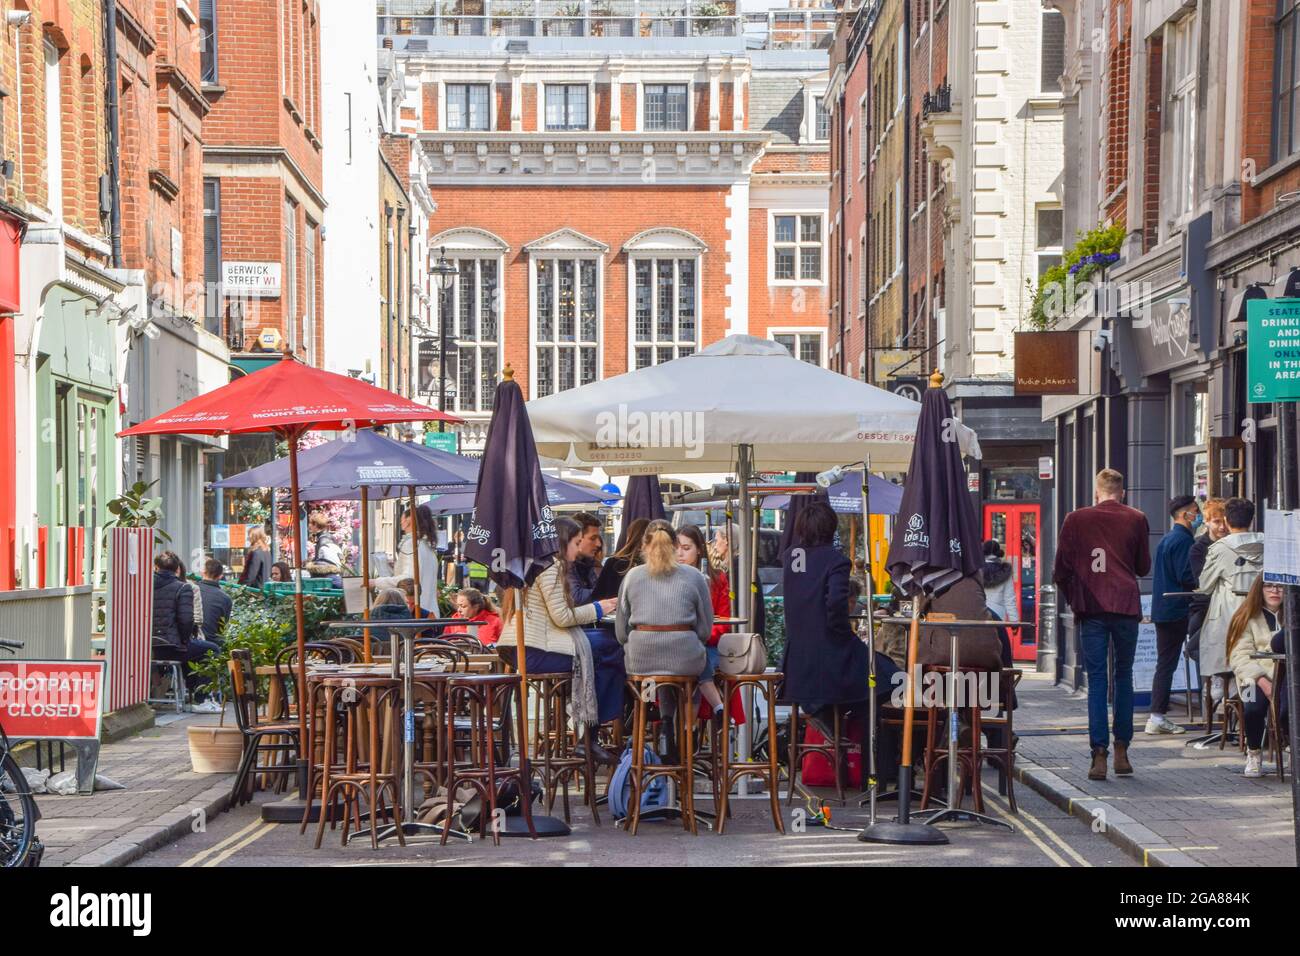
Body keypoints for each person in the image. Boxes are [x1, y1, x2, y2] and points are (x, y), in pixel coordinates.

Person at [1052, 468, 1151, 781]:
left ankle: (1099, 755)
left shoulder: (1075, 519)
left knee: (1096, 681)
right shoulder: (1136, 518)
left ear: (1097, 492)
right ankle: (1122, 749)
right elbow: (1143, 566)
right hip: (1124, 605)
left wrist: (1076, 599)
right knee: (1123, 676)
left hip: (1092, 608)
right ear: (1122, 492)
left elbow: (1060, 571)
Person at [503, 516, 622, 765]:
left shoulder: (536, 564)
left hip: (523, 648)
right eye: (577, 542)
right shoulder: (552, 567)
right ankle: (590, 733)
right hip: (536, 650)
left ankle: (588, 729)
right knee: (613, 647)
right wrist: (600, 608)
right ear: (563, 541)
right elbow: (563, 617)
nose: (579, 549)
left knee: (604, 643)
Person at [616, 520, 714, 749]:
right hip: (685, 658)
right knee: (678, 672)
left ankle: (657, 716)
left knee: (652, 673)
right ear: (675, 545)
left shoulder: (632, 576)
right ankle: (681, 730)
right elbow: (705, 630)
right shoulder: (694, 576)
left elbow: (621, 632)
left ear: (644, 545)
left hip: (641, 659)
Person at [779, 501, 870, 738]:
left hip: (796, 660)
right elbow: (836, 603)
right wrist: (842, 634)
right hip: (827, 659)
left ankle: (826, 717)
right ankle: (843, 736)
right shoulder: (835, 560)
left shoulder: (790, 556)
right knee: (876, 676)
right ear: (830, 528)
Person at [1197, 497, 1265, 705]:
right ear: (1252, 520)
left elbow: (1205, 584)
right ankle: (1249, 707)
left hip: (1229, 617)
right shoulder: (1267, 544)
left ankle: (1224, 691)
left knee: (1219, 651)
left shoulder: (1219, 548)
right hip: (1261, 615)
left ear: (1226, 520)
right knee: (1253, 659)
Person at [1147, 495, 1199, 735]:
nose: (1198, 517)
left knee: (1165, 663)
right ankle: (1157, 716)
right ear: (1184, 514)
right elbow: (1186, 576)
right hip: (1176, 610)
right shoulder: (1182, 540)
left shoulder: (1168, 539)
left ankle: (1156, 716)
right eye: (1195, 512)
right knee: (1167, 663)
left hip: (1165, 609)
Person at [1226, 577, 1284, 777]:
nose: (1275, 590)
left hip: (1283, 676)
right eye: (1269, 586)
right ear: (1260, 589)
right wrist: (1261, 680)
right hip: (1251, 678)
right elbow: (1238, 656)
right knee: (1252, 706)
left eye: (1280, 586)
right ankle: (1253, 752)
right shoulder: (1246, 616)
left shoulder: (1291, 615)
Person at [151, 552, 221, 711]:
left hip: (149, 648)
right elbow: (186, 621)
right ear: (177, 569)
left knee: (196, 649)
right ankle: (201, 699)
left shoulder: (146, 586)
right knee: (212, 649)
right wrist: (184, 640)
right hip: (173, 647)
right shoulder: (183, 587)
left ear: (156, 567)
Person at [674, 525, 731, 719]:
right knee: (694, 659)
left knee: (696, 659)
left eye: (686, 548)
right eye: (676, 548)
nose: (679, 553)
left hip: (708, 644)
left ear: (699, 549)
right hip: (679, 646)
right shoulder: (669, 578)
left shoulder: (716, 579)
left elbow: (724, 622)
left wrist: (700, 636)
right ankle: (716, 709)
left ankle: (687, 732)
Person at [371, 503, 440, 616]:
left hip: (417, 611)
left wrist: (376, 582)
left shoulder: (411, 545)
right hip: (430, 611)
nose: (400, 522)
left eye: (402, 519)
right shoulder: (427, 545)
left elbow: (408, 579)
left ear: (409, 520)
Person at [1186, 497, 1228, 667]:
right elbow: (1202, 581)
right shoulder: (1198, 548)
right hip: (1205, 606)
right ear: (1207, 522)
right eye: (1217, 521)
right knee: (1195, 647)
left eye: (1225, 521)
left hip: (1228, 606)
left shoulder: (1234, 544)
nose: (1222, 527)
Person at [567, 511, 604, 605]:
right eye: (593, 538)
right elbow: (576, 597)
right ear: (578, 537)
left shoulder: (587, 562)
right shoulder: (564, 563)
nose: (598, 544)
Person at [981, 539, 1019, 624]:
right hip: (998, 615)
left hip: (979, 613)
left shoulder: (977, 571)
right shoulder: (1005, 572)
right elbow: (1009, 599)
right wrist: (1014, 621)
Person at [197, 558, 234, 645]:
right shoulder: (225, 598)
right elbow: (222, 628)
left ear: (203, 572)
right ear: (220, 576)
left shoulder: (191, 590)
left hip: (192, 641)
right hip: (213, 643)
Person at [367, 588, 413, 652]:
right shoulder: (410, 623)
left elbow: (357, 641)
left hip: (372, 659)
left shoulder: (366, 624)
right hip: (404, 658)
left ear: (378, 601)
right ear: (402, 601)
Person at [306, 511, 344, 577]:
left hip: (327, 576)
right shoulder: (330, 537)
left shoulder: (322, 540)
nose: (309, 525)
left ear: (315, 524)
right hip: (335, 574)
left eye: (310, 523)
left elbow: (320, 562)